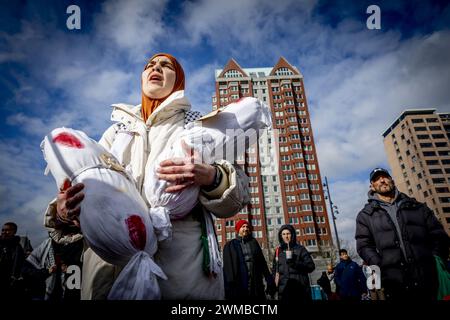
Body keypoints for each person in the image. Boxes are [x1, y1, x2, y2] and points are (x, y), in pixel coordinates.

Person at [42, 53, 250, 299]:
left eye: (166, 65)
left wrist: (213, 177)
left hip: (180, 273)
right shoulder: (116, 131)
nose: (156, 68)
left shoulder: (199, 125)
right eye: (150, 65)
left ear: (179, 80)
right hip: (108, 274)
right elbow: (88, 183)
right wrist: (64, 211)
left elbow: (240, 193)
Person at [355, 167, 449, 300]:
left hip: (428, 281)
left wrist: (434, 260)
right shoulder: (365, 216)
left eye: (385, 177)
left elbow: (439, 235)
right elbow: (364, 246)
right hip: (394, 285)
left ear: (391, 180)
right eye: (377, 179)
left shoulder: (417, 207)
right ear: (372, 186)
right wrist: (380, 265)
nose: (382, 180)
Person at [22, 224, 84, 300]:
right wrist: (46, 271)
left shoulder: (83, 246)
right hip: (45, 294)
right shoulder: (46, 245)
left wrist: (74, 270)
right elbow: (25, 270)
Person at [223, 220, 275, 300]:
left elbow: (262, 262)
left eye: (247, 227)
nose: (246, 228)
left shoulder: (254, 242)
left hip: (255, 283)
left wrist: (269, 279)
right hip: (239, 284)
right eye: (243, 227)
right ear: (238, 229)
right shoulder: (230, 246)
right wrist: (228, 288)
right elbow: (227, 270)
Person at [272, 224, 315, 301]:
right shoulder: (278, 251)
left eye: (288, 234)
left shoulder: (300, 249)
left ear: (292, 234)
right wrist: (272, 285)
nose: (286, 236)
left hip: (300, 290)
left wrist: (295, 263)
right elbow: (275, 270)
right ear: (281, 236)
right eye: (284, 234)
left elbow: (311, 266)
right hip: (284, 290)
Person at [0, 222, 25, 299]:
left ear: (14, 232)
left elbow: (19, 265)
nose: (4, 232)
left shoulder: (17, 248)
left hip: (10, 283)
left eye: (7, 230)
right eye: (3, 230)